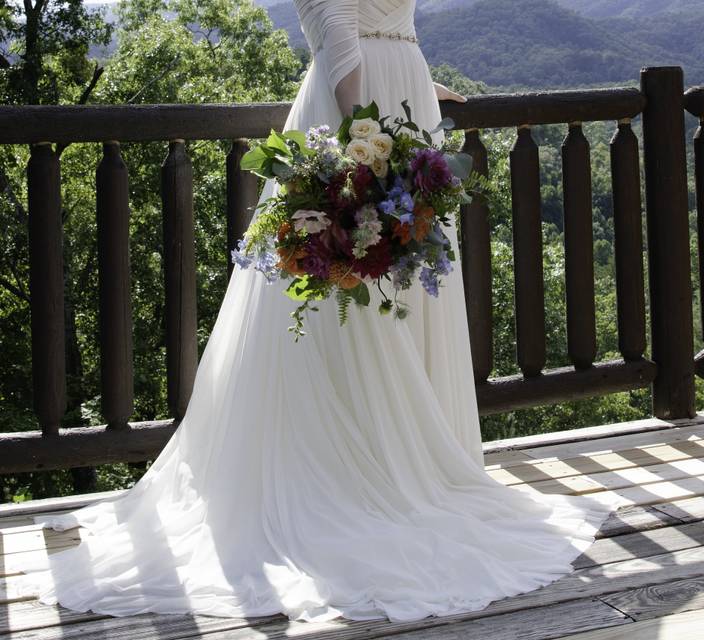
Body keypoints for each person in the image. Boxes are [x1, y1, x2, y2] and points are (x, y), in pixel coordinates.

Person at [18, 0, 621, 623]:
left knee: (385, 276)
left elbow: (369, 26)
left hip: (396, 98)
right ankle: (377, 471)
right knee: (354, 276)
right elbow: (340, 32)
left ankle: (392, 465)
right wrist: (364, 137)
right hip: (360, 109)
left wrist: (418, 82)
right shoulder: (359, 107)